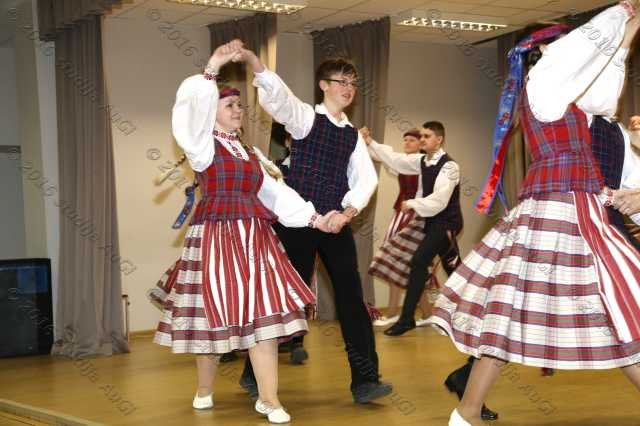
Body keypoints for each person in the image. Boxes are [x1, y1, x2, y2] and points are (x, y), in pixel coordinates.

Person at [426, 4, 640, 425]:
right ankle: (466, 411)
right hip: (558, 208)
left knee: (607, 307)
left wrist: (629, 31)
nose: (574, 51)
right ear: (544, 51)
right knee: (525, 313)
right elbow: (582, 50)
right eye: (562, 44)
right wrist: (617, 14)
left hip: (579, 207)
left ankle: (466, 412)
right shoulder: (543, 83)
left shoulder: (574, 98)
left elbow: (604, 85)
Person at [153, 40, 338, 424]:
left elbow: (275, 193)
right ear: (211, 111)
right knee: (212, 319)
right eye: (230, 105)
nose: (238, 110)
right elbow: (189, 115)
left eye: (240, 105)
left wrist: (314, 219)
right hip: (216, 239)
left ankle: (269, 399)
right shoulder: (202, 147)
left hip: (255, 239)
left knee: (264, 318)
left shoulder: (251, 154)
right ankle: (204, 388)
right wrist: (212, 66)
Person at [234, 46, 393, 404]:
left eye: (352, 83)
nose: (348, 89)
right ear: (324, 85)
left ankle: (366, 381)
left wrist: (346, 214)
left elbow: (365, 180)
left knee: (352, 299)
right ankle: (253, 374)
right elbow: (280, 100)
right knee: (287, 299)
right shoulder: (306, 118)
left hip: (334, 223)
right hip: (298, 223)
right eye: (341, 82)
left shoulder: (352, 136)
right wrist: (256, 65)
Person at [361, 121, 463, 338]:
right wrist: (370, 142)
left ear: (439, 140)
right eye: (422, 136)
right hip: (431, 222)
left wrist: (413, 204)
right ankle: (412, 318)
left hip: (445, 224)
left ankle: (408, 318)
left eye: (427, 136)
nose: (422, 139)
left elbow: (440, 200)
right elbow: (396, 160)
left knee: (424, 264)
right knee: (451, 271)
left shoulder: (449, 166)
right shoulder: (422, 161)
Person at [365, 128, 437, 327]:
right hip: (400, 215)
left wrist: (370, 141)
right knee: (399, 265)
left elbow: (390, 157)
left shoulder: (422, 162)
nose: (407, 143)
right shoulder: (405, 162)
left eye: (412, 140)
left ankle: (400, 313)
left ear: (421, 144)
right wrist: (361, 142)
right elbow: (384, 157)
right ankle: (423, 314)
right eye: (405, 139)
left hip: (416, 216)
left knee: (407, 265)